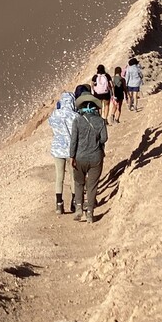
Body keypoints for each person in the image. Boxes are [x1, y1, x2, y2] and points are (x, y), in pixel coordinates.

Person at [70, 90, 108, 223]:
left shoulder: (77, 121)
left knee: (79, 183)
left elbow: (73, 141)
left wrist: (71, 156)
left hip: (79, 157)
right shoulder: (101, 121)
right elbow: (104, 138)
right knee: (92, 186)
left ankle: (79, 208)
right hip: (96, 157)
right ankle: (90, 213)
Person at [48, 91, 77, 214]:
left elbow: (52, 127)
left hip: (57, 149)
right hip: (71, 150)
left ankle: (59, 204)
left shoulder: (55, 115)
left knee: (59, 177)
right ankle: (74, 202)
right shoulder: (75, 116)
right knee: (73, 177)